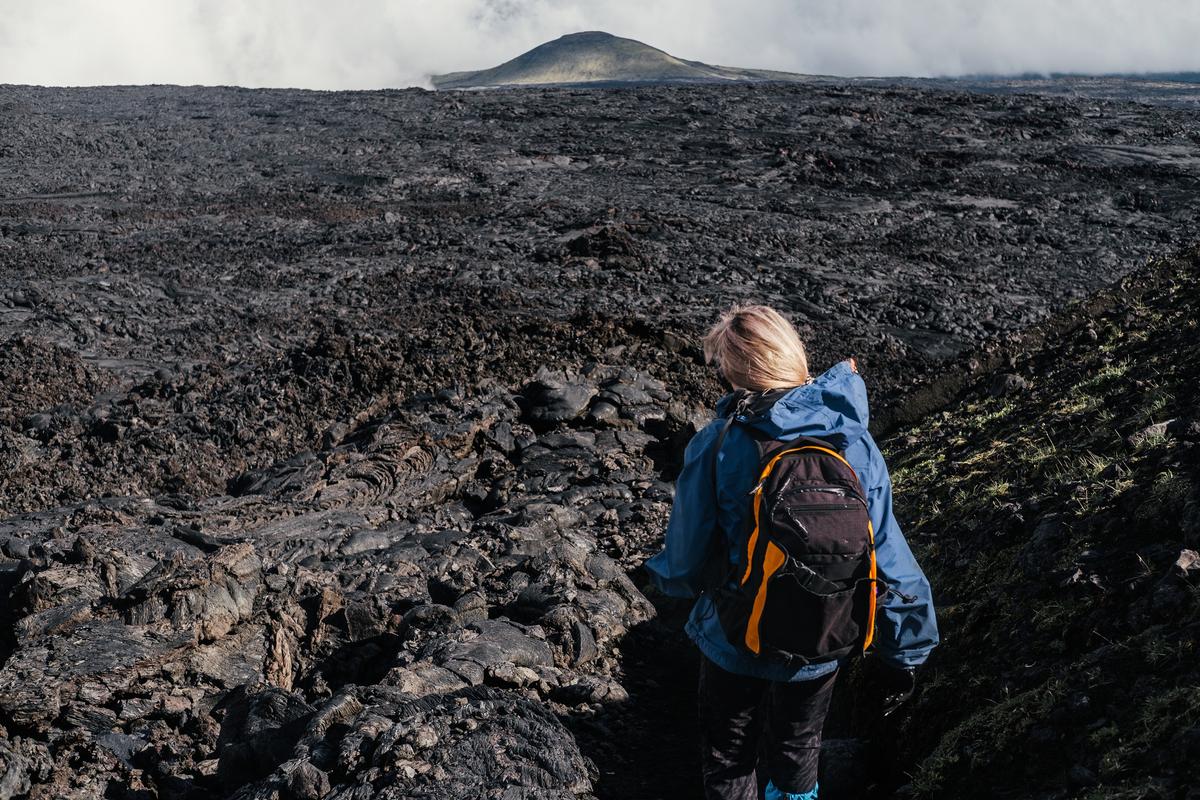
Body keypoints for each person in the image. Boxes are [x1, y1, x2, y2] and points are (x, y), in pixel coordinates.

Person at [645, 305, 939, 800]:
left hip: (733, 634)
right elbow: (886, 551)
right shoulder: (854, 443)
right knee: (799, 748)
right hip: (823, 635)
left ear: (740, 369)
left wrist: (671, 590)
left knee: (729, 757)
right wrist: (908, 647)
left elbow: (686, 554)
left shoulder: (719, 441)